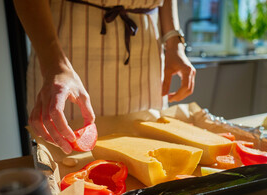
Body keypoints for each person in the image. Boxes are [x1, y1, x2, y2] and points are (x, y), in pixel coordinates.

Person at [13, 0, 196, 154]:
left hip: (147, 47)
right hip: (66, 43)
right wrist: (56, 65)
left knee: (150, 153)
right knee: (65, 157)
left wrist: (174, 43)